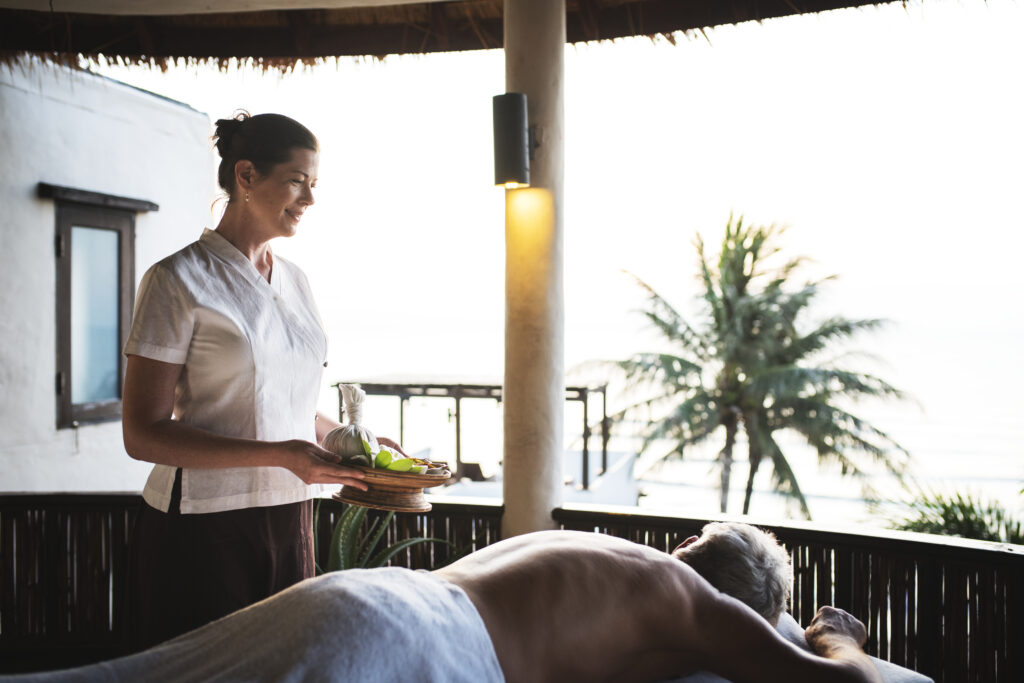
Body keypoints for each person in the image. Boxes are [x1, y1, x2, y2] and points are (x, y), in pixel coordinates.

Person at [121, 111, 403, 649]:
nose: (310, 200)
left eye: (314, 184)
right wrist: (281, 454)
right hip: (203, 524)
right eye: (297, 181)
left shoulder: (296, 282)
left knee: (285, 666)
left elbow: (284, 403)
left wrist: (343, 441)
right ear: (246, 175)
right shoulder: (176, 280)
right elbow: (143, 433)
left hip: (290, 513)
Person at [6, 524, 888, 683]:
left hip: (369, 602)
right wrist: (831, 634)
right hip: (422, 653)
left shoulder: (597, 551)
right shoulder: (699, 606)